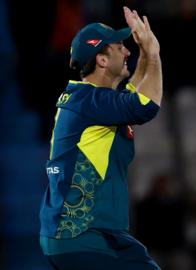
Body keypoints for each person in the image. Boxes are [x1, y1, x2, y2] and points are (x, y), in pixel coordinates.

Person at [39, 7, 162, 270]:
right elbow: (147, 104)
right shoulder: (90, 102)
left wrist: (145, 57)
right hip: (85, 234)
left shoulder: (91, 101)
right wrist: (152, 54)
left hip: (79, 235)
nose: (128, 51)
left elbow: (131, 97)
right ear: (102, 60)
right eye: (120, 47)